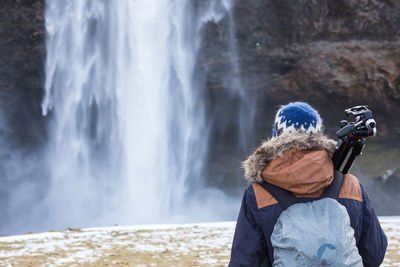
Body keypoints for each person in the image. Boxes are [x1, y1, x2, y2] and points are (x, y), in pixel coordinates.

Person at [229, 102, 387, 267]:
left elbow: (244, 261)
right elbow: (374, 253)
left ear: (275, 137)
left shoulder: (257, 193)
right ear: (319, 136)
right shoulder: (351, 185)